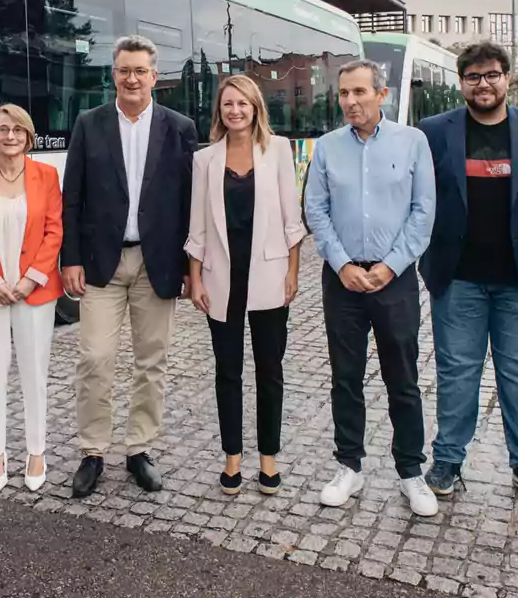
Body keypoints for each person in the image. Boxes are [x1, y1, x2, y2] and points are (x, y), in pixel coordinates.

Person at [418, 42, 518, 508]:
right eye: (474, 77)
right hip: (458, 278)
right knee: (456, 373)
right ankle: (447, 460)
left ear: (508, 79)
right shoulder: (434, 132)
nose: (484, 84)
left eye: (492, 75)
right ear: (461, 83)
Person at [62, 35, 198, 498]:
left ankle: (140, 449)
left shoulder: (180, 127)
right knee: (95, 358)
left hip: (156, 263)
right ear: (114, 74)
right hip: (101, 262)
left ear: (155, 76)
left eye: (140, 70)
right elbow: (72, 196)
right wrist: (71, 258)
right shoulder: (89, 124)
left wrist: (186, 265)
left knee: (151, 362)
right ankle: (92, 451)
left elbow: (189, 203)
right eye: (124, 70)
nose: (132, 78)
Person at [303, 59, 439, 517]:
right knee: (345, 377)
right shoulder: (326, 147)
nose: (350, 101)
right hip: (341, 279)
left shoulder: (413, 142)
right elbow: (316, 211)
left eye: (359, 92)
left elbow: (423, 213)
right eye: (343, 93)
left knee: (402, 378)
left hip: (394, 281)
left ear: (381, 95)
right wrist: (341, 264)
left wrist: (392, 266)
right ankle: (349, 465)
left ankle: (410, 472)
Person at [186, 75, 305, 495]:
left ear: (256, 108)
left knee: (270, 372)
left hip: (270, 278)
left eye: (242, 103)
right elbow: (197, 227)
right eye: (227, 104)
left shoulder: (277, 151)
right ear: (219, 111)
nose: (235, 110)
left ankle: (268, 460)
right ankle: (232, 458)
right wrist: (195, 277)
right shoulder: (205, 160)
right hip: (221, 280)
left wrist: (292, 273)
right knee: (227, 372)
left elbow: (293, 221)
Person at [0, 104, 64, 494]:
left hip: (34, 290)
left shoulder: (47, 175)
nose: (10, 136)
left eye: (17, 130)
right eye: (2, 129)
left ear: (28, 135)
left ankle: (36, 451)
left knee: (34, 372)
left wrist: (29, 280)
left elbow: (54, 230)